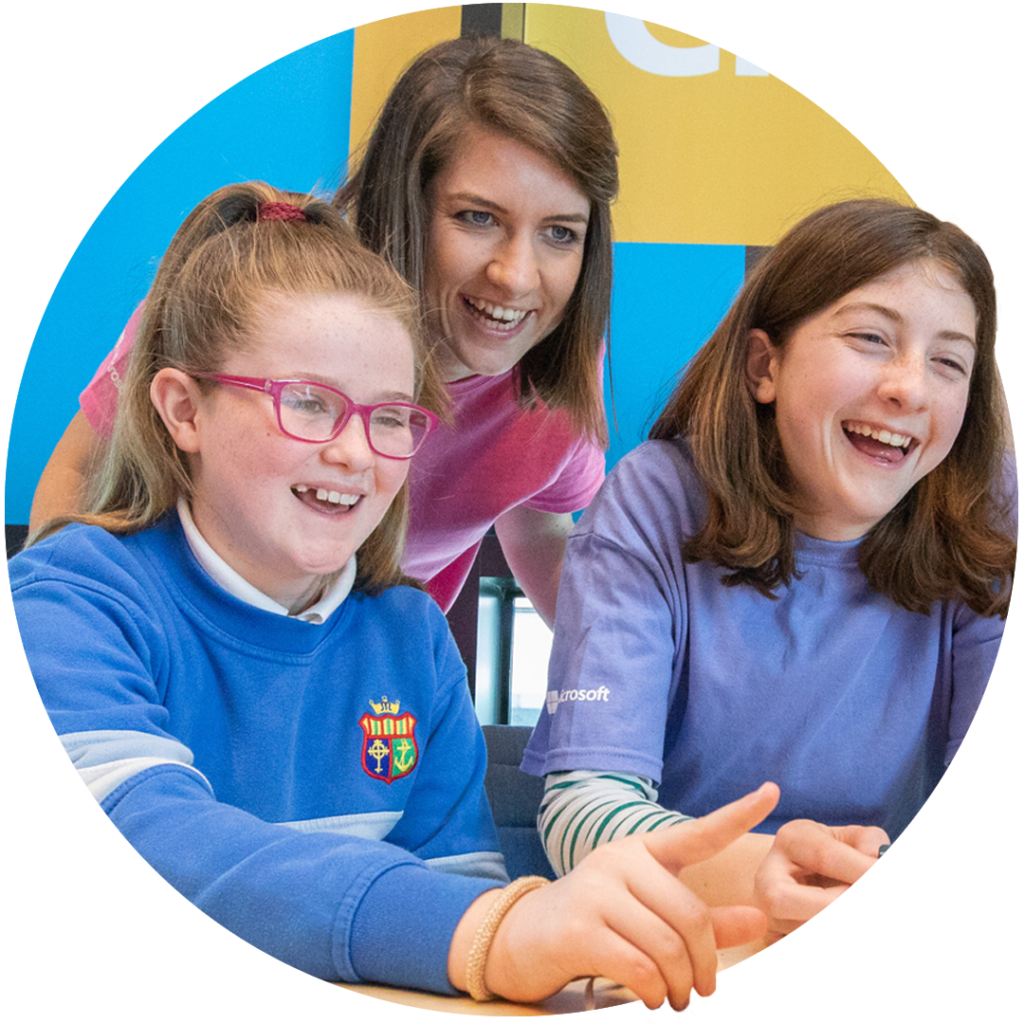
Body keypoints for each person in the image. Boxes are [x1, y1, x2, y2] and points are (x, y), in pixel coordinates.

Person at [12, 182, 790, 1011]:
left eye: (391, 418)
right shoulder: (65, 604)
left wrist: (536, 936)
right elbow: (141, 843)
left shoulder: (410, 637)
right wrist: (494, 931)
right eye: (307, 403)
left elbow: (454, 889)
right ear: (181, 409)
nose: (356, 454)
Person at [522, 199, 1016, 940]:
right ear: (765, 366)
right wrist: (769, 873)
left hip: (900, 938)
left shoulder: (993, 508)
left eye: (949, 362)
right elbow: (581, 810)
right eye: (872, 338)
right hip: (690, 934)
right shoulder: (657, 499)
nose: (910, 388)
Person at [28, 37, 617, 625]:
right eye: (477, 218)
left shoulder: (560, 363)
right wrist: (60, 646)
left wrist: (619, 684)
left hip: (365, 680)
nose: (515, 277)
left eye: (560, 232)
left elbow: (541, 522)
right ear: (404, 202)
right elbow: (83, 473)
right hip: (180, 644)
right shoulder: (263, 283)